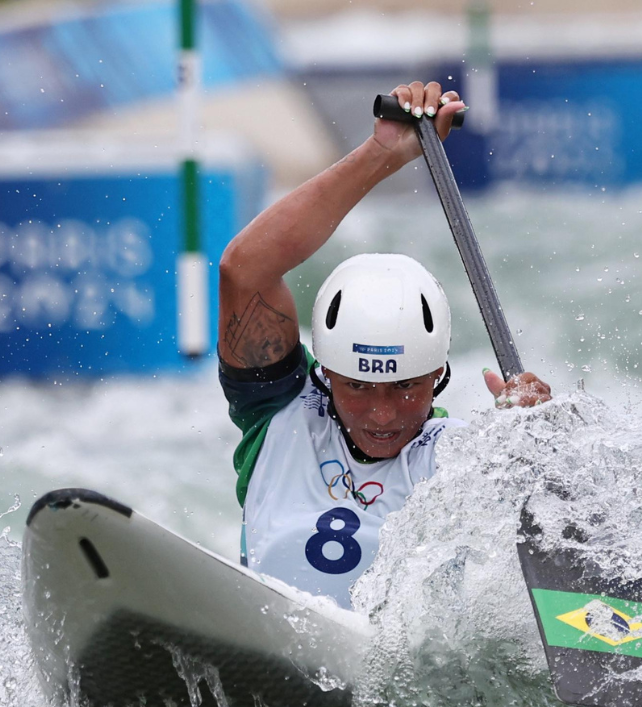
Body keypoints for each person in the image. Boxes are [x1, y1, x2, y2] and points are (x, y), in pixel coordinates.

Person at [217, 81, 551, 609]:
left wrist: (537, 444)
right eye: (357, 387)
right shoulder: (276, 413)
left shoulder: (461, 458)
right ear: (325, 374)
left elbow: (550, 518)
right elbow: (245, 270)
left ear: (438, 376)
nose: (381, 413)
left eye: (405, 388)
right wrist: (382, 155)